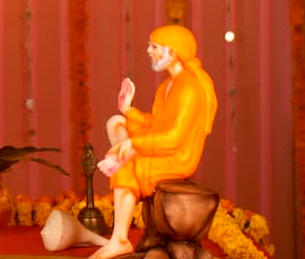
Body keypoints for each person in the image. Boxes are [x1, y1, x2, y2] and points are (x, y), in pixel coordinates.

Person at [92, 25, 218, 259]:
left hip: (178, 156)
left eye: (154, 47)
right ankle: (125, 160)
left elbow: (174, 139)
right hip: (164, 145)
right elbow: (157, 125)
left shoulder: (189, 87)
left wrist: (133, 145)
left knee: (127, 165)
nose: (148, 51)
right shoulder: (166, 86)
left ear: (173, 51)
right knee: (116, 122)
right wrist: (128, 110)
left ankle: (120, 241)